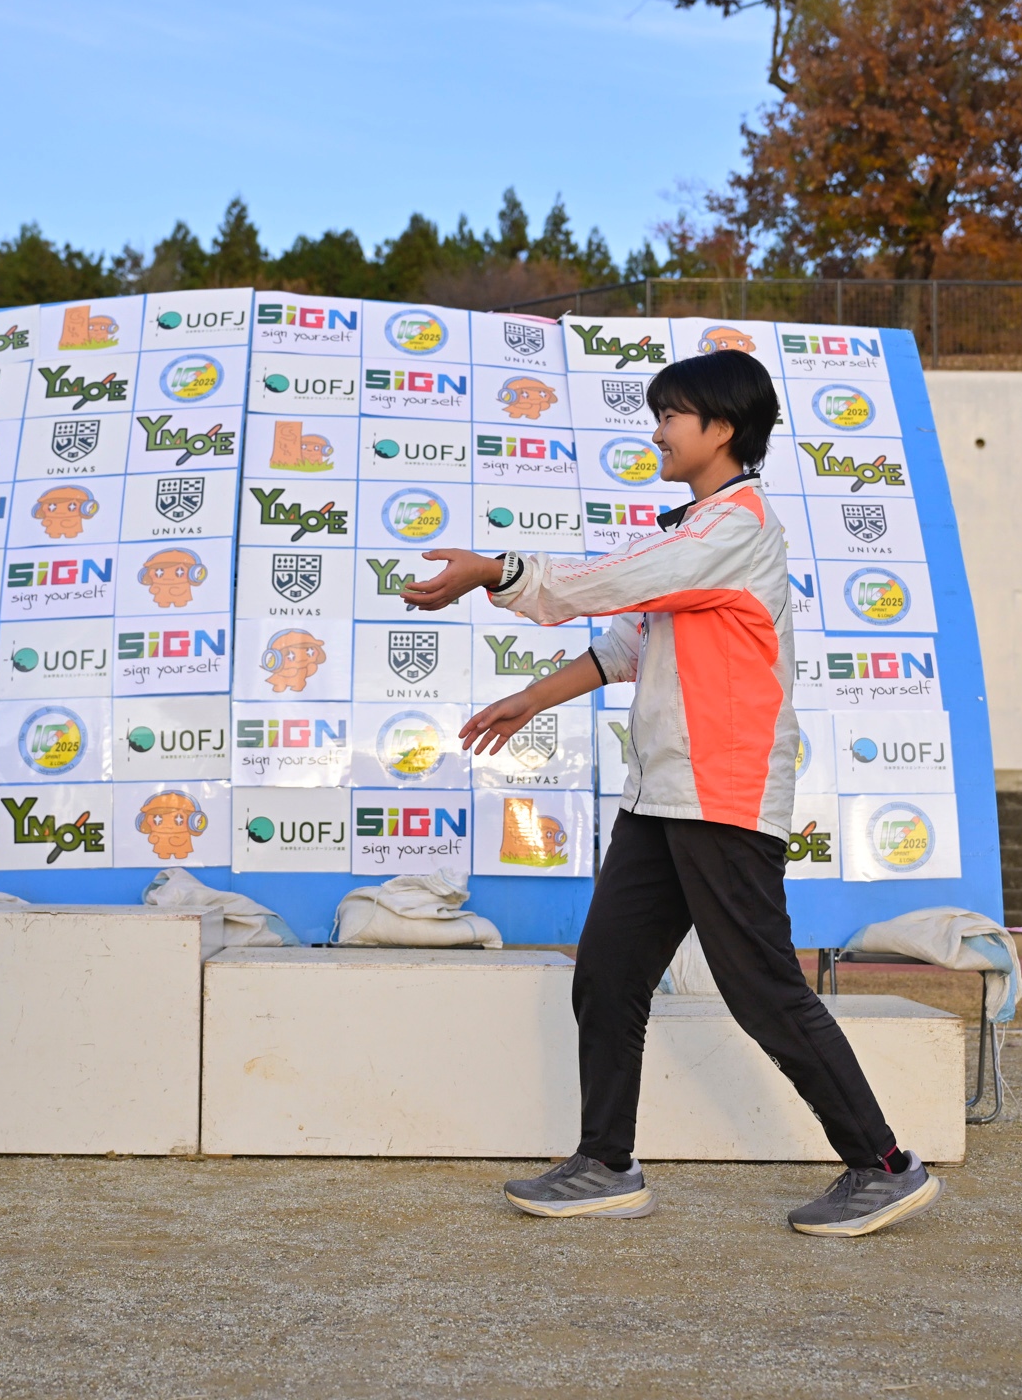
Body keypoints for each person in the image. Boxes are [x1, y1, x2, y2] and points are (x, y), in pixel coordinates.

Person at [401, 349, 941, 1238]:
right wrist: (530, 699)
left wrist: (497, 571)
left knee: (761, 988)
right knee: (609, 973)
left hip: (721, 793)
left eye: (670, 416)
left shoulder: (734, 526)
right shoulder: (697, 532)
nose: (656, 432)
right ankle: (605, 1164)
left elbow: (603, 583)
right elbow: (628, 644)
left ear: (721, 429)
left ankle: (883, 1165)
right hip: (660, 797)